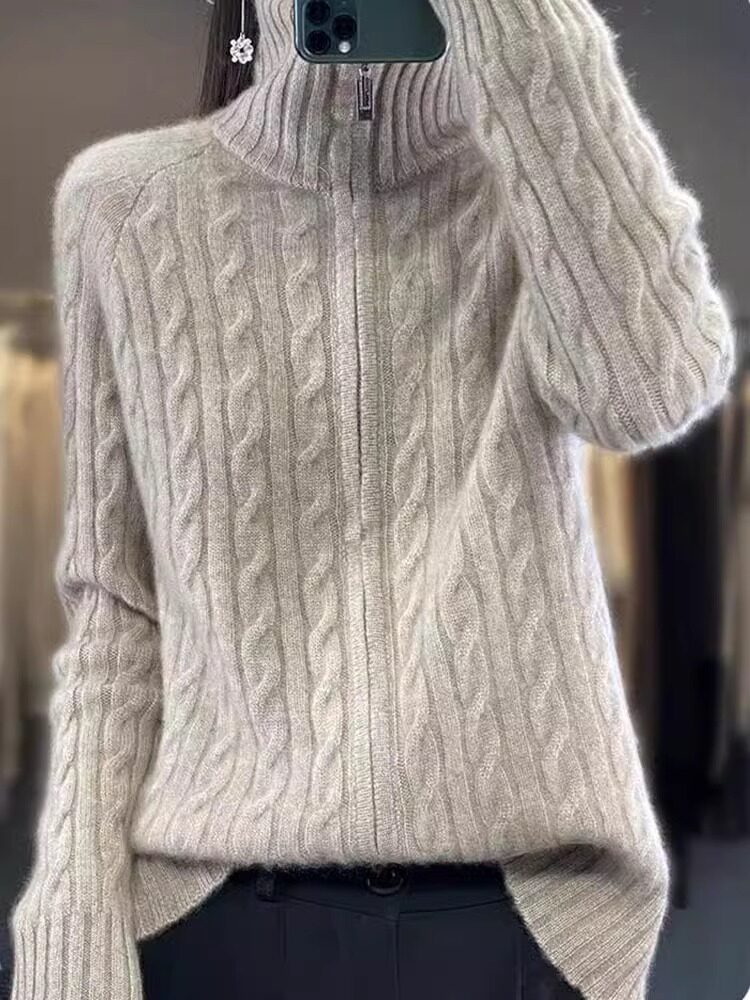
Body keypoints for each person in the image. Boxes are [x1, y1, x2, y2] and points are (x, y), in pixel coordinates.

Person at [7, 0, 736, 998]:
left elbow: (651, 392)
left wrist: (531, 34)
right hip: (214, 917)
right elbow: (116, 602)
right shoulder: (125, 206)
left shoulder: (537, 186)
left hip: (519, 916)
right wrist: (71, 909)